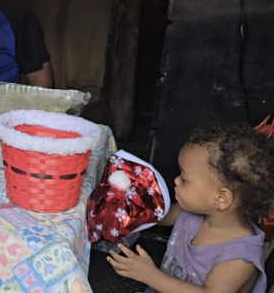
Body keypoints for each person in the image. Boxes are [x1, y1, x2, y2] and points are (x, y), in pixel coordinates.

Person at [107, 124, 274, 293]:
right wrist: (130, 208)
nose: (176, 181)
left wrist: (151, 276)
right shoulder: (193, 212)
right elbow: (158, 215)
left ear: (221, 198)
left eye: (184, 179)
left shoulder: (240, 255)